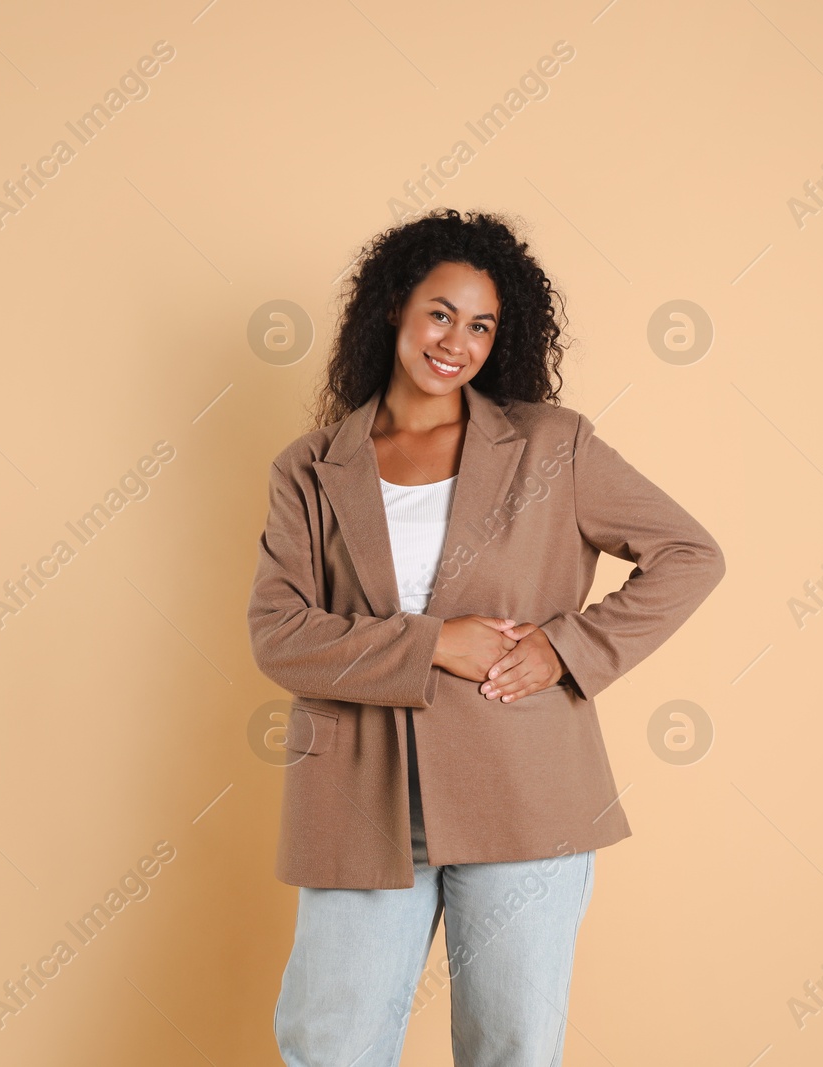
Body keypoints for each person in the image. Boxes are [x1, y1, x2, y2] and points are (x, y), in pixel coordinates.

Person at [248, 207, 726, 1066]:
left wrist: (566, 649)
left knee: (510, 1050)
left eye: (481, 325)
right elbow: (280, 635)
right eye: (439, 313)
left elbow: (690, 554)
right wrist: (432, 641)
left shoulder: (553, 445)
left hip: (524, 793)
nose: (456, 341)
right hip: (361, 801)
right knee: (329, 1046)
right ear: (394, 308)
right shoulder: (312, 466)